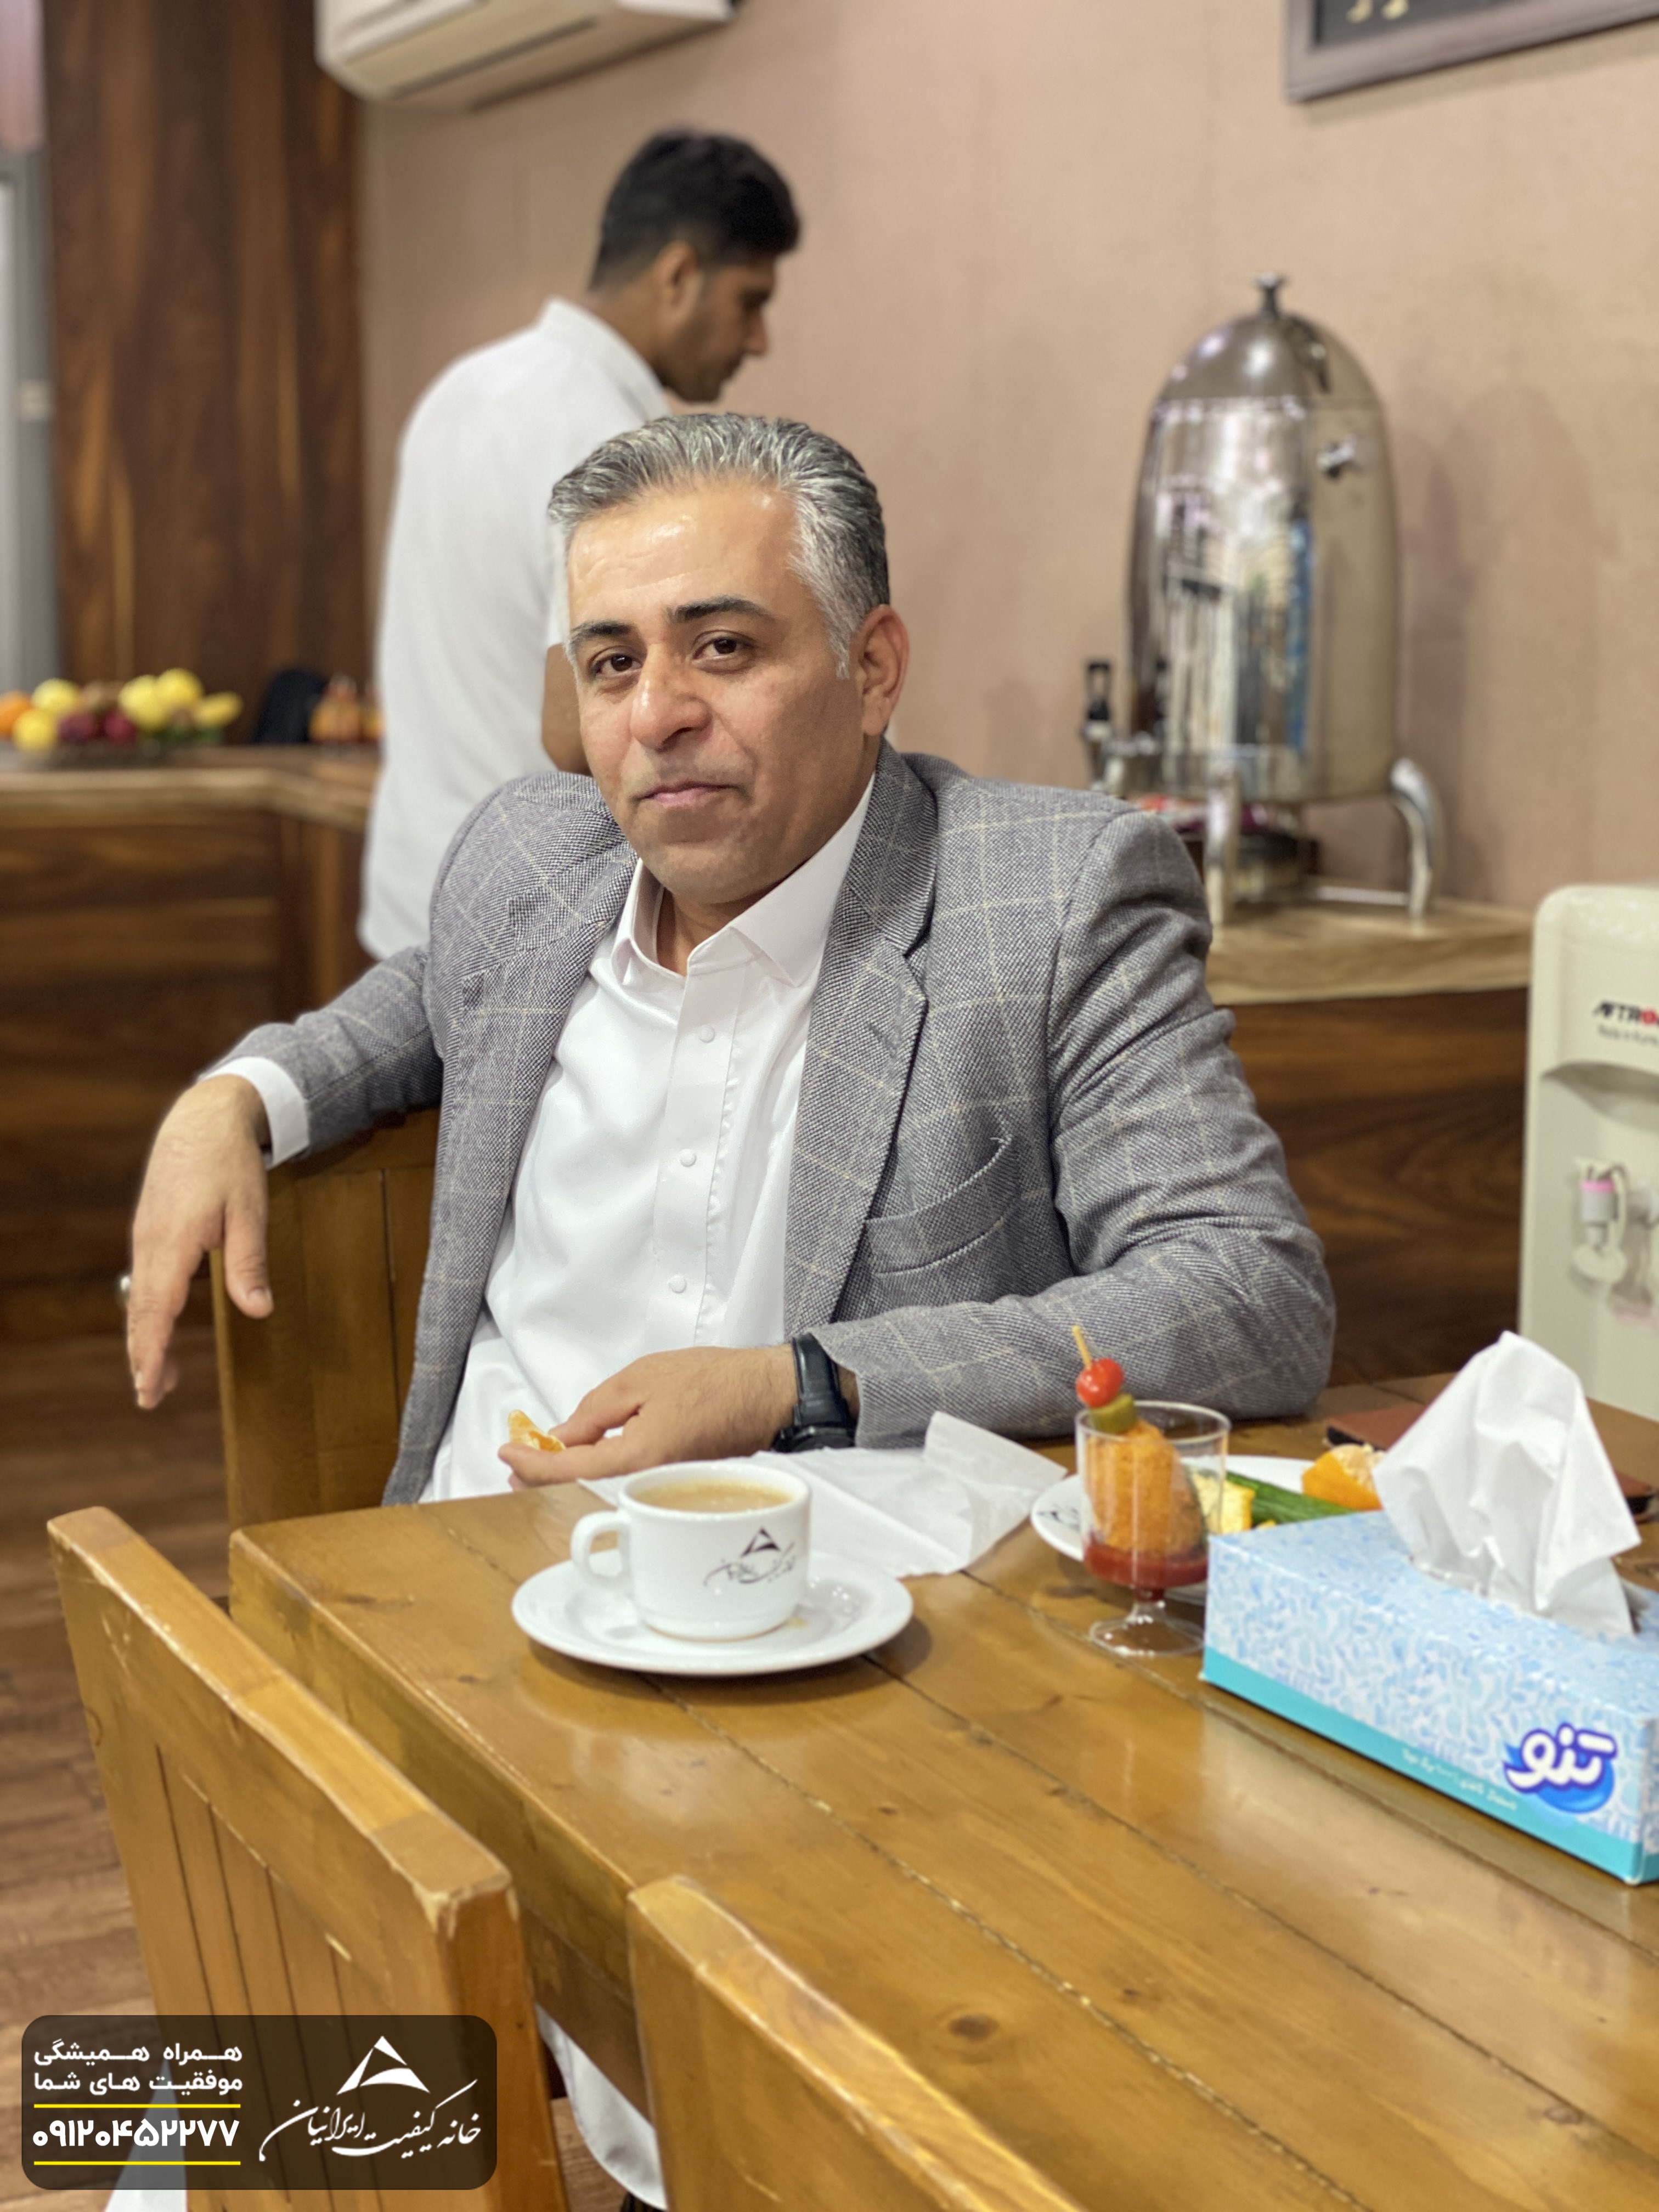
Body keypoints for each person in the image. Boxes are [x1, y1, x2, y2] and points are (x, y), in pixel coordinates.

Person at [128, 413, 1334, 2210]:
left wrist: (796, 1382)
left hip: (825, 1711)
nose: (659, 713)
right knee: (201, 2147)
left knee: (768, 2136)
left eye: (723, 645)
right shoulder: (528, 862)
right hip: (444, 1643)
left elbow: (1249, 1289)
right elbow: (401, 1013)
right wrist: (235, 1095)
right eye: (614, 661)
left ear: (872, 667)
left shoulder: (1049, 899)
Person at [359, 128, 799, 959]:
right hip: (518, 920)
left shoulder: (463, 386)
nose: (757, 340)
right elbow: (575, 727)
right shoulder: (610, 435)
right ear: (678, 275)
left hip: (413, 892)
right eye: (751, 300)